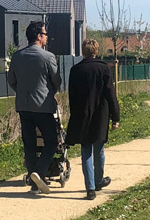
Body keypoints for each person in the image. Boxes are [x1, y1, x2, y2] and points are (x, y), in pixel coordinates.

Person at [7, 20, 62, 194]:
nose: (47, 38)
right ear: (39, 36)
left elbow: (11, 81)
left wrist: (22, 92)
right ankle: (39, 172)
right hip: (43, 106)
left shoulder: (17, 56)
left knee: (29, 144)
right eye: (45, 34)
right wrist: (50, 92)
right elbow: (56, 81)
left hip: (23, 106)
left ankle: (33, 180)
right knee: (51, 141)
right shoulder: (48, 57)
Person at [65, 39, 121, 200]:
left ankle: (90, 188)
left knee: (86, 151)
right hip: (100, 114)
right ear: (96, 50)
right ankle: (98, 180)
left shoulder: (75, 70)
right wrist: (115, 117)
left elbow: (72, 97)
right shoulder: (103, 69)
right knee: (99, 149)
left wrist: (74, 117)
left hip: (82, 114)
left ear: (83, 51)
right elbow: (111, 94)